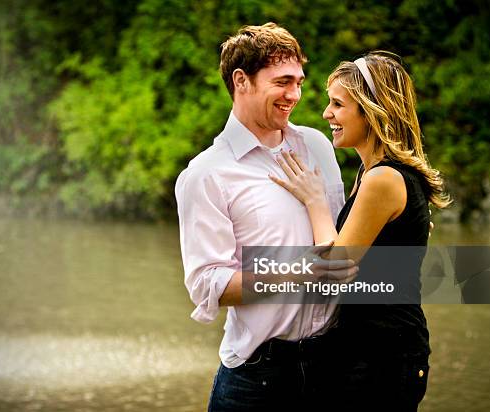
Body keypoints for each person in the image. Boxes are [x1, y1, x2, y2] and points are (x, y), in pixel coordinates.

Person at [175, 23, 358, 411]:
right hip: (257, 380)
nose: (294, 95)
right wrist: (304, 271)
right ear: (241, 81)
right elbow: (210, 286)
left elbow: (340, 240)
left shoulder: (317, 145)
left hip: (334, 366)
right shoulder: (206, 174)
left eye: (299, 82)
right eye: (282, 82)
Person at [270, 51, 450, 411]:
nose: (327, 114)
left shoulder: (383, 179)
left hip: (384, 354)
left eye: (338, 104)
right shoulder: (373, 174)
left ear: (371, 111)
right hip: (368, 349)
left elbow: (334, 270)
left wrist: (315, 201)